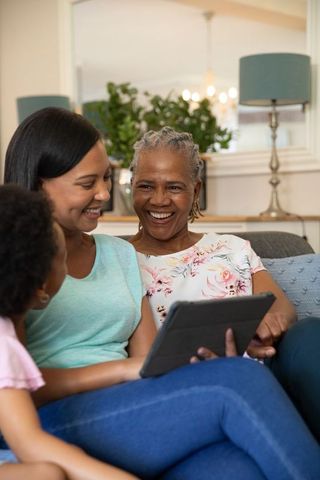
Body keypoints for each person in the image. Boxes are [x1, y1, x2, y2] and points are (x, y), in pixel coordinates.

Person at [4, 107, 320, 480]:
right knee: (238, 380)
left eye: (107, 178)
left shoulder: (121, 255)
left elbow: (151, 363)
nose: (104, 194)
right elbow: (17, 383)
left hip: (133, 408)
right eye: (88, 183)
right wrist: (122, 370)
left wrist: (197, 357)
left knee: (235, 466)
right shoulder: (17, 264)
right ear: (40, 184)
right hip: (53, 418)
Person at [129, 126, 320, 441]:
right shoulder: (118, 259)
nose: (159, 200)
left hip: (261, 371)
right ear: (132, 187)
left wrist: (266, 327)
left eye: (174, 187)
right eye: (146, 186)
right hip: (191, 390)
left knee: (310, 333)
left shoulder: (232, 248)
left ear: (196, 190)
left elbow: (282, 309)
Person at [0, 184, 139, 480]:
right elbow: (30, 443)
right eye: (62, 259)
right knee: (47, 473)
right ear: (40, 288)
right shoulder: (3, 346)